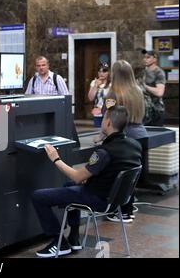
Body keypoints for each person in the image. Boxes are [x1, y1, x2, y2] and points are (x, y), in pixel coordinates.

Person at [32, 105, 142, 258]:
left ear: (108, 122)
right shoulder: (134, 145)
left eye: (103, 117)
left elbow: (77, 176)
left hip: (99, 199)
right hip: (117, 200)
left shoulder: (104, 152)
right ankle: (74, 237)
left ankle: (59, 242)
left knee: (39, 196)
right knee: (69, 187)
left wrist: (55, 159)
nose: (102, 120)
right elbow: (114, 171)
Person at [100, 60, 148, 222]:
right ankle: (129, 208)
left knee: (117, 176)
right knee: (131, 176)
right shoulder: (138, 91)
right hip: (141, 135)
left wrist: (101, 136)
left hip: (123, 138)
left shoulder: (113, 93)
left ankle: (122, 212)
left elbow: (107, 115)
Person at [141, 50, 167, 126]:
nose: (145, 59)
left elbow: (159, 92)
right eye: (144, 57)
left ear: (155, 59)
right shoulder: (142, 72)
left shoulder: (159, 72)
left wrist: (144, 86)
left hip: (156, 111)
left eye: (148, 57)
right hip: (143, 110)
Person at [88, 62, 111, 127]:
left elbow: (114, 100)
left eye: (104, 71)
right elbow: (90, 98)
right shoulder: (94, 82)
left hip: (109, 114)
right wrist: (95, 86)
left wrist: (102, 110)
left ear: (108, 72)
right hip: (97, 114)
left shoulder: (111, 84)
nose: (101, 73)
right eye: (99, 71)